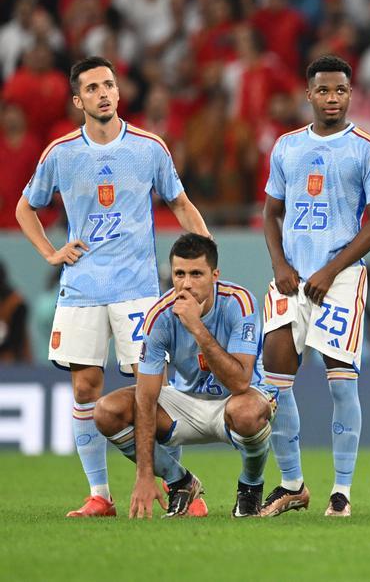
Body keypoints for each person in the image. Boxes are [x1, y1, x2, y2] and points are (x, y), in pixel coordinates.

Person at [14, 56, 209, 518]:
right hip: (81, 287)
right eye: (93, 87)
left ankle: (179, 483)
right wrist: (50, 252)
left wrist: (207, 265)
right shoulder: (61, 153)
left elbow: (181, 205)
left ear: (119, 93)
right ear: (78, 100)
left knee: (148, 392)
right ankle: (101, 495)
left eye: (110, 85)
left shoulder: (147, 147)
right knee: (86, 388)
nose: (104, 93)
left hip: (138, 290)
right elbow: (26, 208)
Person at [259, 54, 370, 518]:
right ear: (309, 94)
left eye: (340, 90)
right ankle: (291, 484)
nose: (332, 98)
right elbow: (271, 212)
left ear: (351, 94)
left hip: (338, 281)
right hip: (289, 277)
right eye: (323, 90)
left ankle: (341, 491)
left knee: (340, 386)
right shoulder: (286, 147)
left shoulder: (368, 149)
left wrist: (332, 270)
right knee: (275, 386)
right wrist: (279, 263)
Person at [92, 234, 274, 518]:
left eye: (196, 274)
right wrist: (145, 474)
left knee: (248, 412)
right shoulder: (160, 317)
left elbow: (240, 381)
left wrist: (197, 327)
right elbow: (146, 396)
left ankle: (250, 487)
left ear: (215, 275)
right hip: (186, 403)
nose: (186, 283)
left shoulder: (240, 303)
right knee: (107, 411)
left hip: (237, 400)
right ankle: (180, 482)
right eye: (179, 274)